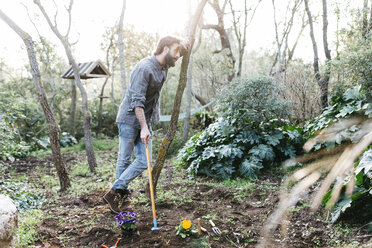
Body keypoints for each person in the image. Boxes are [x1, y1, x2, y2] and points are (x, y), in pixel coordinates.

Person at [103, 35, 190, 214]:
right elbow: (137, 101)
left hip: (144, 120)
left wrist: (184, 41)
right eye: (176, 51)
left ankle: (113, 192)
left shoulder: (164, 67)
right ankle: (120, 197)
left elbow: (177, 43)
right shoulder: (144, 68)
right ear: (165, 48)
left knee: (143, 161)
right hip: (129, 119)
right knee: (125, 160)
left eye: (180, 53)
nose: (178, 56)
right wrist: (144, 127)